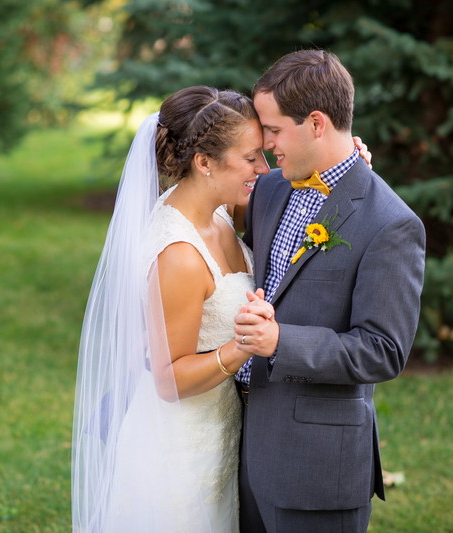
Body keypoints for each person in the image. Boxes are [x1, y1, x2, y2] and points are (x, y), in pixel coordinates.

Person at [232, 49, 426, 532]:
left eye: (273, 131)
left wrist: (281, 343)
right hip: (243, 454)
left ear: (317, 123)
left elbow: (383, 351)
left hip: (317, 471)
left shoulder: (391, 224)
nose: (265, 143)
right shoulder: (271, 190)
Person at [72, 86, 270, 532]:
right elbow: (168, 378)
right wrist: (242, 348)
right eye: (252, 157)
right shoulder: (179, 253)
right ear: (204, 163)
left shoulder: (216, 212)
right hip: (180, 449)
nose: (265, 168)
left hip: (219, 433)